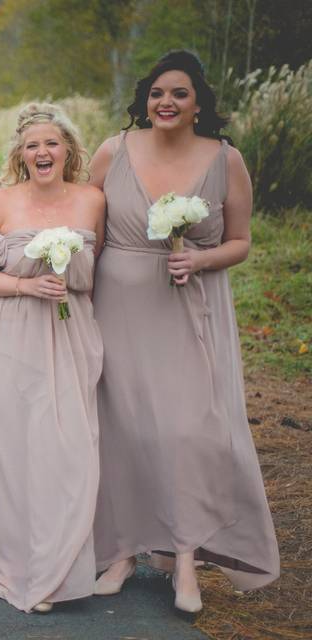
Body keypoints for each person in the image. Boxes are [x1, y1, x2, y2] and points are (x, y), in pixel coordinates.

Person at [89, 50, 279, 613]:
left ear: (199, 105)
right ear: (145, 101)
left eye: (179, 94)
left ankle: (186, 559)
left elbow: (240, 242)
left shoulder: (225, 159)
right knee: (121, 427)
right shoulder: (112, 151)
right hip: (116, 309)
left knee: (188, 432)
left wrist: (199, 260)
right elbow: (83, 224)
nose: (165, 103)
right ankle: (122, 550)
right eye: (157, 93)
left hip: (189, 310)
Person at [0, 103, 105, 613]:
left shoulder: (92, 201)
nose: (42, 152)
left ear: (68, 149)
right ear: (21, 155)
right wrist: (25, 284)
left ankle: (59, 570)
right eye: (32, 145)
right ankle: (20, 572)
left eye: (51, 143)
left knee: (68, 452)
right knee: (11, 459)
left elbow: (99, 273)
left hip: (71, 337)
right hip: (6, 337)